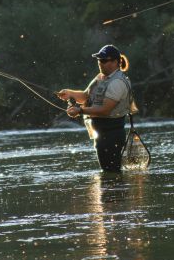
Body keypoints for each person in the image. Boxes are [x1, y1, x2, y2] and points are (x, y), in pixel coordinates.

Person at [57, 45, 135, 173]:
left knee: (111, 172)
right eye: (99, 60)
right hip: (101, 134)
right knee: (107, 172)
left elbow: (105, 110)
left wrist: (80, 111)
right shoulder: (100, 77)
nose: (100, 63)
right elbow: (85, 96)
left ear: (115, 62)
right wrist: (70, 93)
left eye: (104, 60)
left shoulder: (118, 83)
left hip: (112, 134)